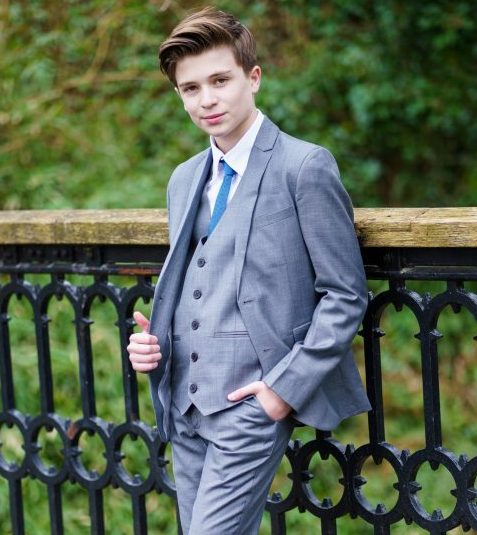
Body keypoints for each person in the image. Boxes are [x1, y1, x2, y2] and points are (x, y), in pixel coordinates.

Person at [127, 6, 370, 534]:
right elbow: (199, 281)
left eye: (220, 80)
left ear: (253, 78)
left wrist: (283, 391)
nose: (207, 100)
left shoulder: (304, 167)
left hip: (250, 406)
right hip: (184, 404)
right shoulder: (184, 179)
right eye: (191, 88)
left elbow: (346, 294)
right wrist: (153, 344)